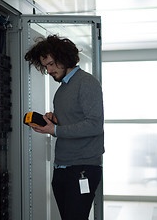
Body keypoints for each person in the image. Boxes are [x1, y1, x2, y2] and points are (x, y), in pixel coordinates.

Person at [24, 35, 104, 220]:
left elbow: (94, 125)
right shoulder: (61, 91)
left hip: (82, 168)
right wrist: (55, 122)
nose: (49, 70)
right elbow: (72, 124)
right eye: (45, 66)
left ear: (65, 58)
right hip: (62, 168)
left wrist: (56, 130)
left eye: (51, 64)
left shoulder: (87, 82)